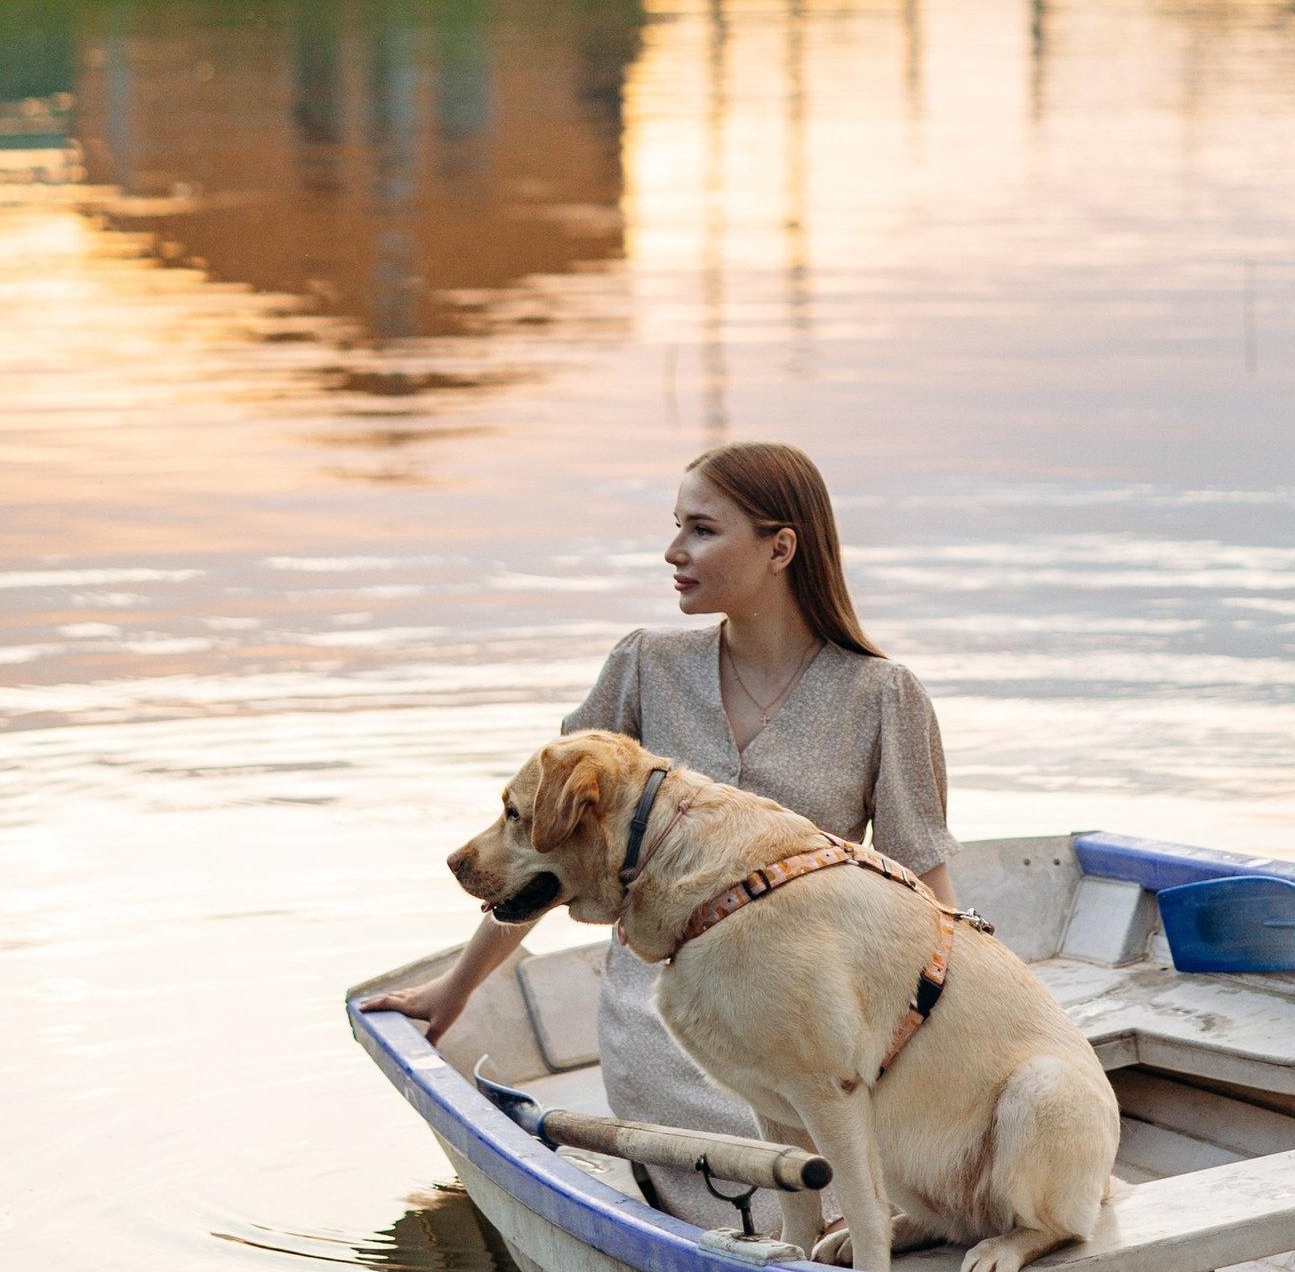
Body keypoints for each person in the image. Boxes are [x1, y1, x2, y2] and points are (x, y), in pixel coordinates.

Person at [364, 441, 954, 1227]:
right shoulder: (644, 668)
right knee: (796, 1149)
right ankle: (825, 1217)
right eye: (677, 526)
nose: (674, 551)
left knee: (863, 1121)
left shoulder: (883, 697)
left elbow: (927, 905)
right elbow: (543, 854)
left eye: (701, 530)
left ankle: (848, 1213)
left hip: (810, 1013)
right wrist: (458, 987)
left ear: (780, 548)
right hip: (669, 1018)